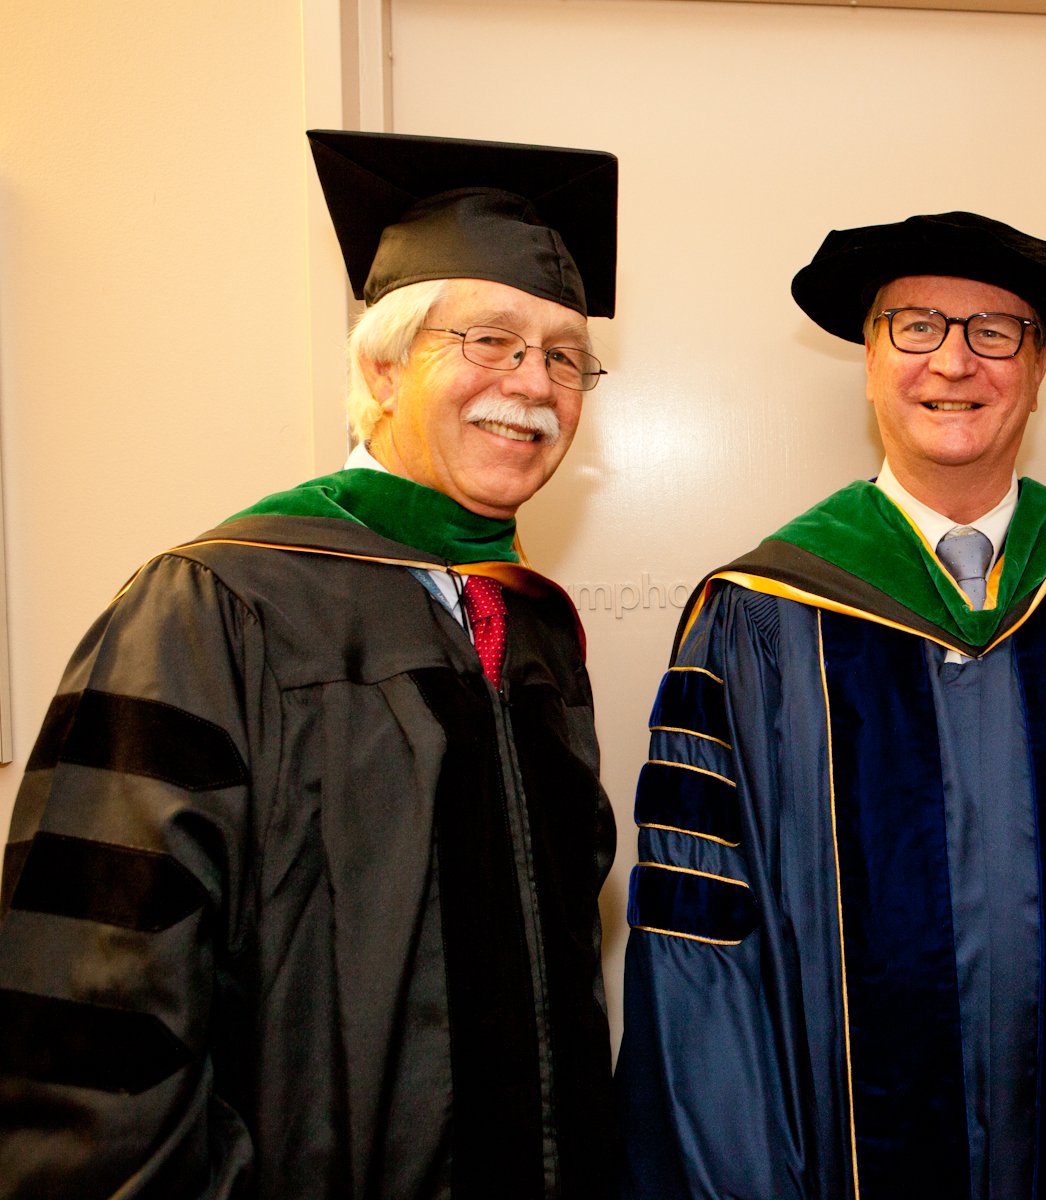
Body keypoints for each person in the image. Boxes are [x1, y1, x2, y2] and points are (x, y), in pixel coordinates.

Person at [0, 130, 622, 1198]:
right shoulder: (215, 607)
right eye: (490, 339)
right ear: (381, 367)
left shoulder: (533, 629)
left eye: (566, 356)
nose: (535, 383)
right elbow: (91, 1027)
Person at [614, 211, 1046, 1199]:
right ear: (869, 357)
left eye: (996, 331)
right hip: (830, 1161)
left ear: (1042, 365)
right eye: (917, 325)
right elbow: (698, 933)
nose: (955, 362)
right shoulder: (757, 616)